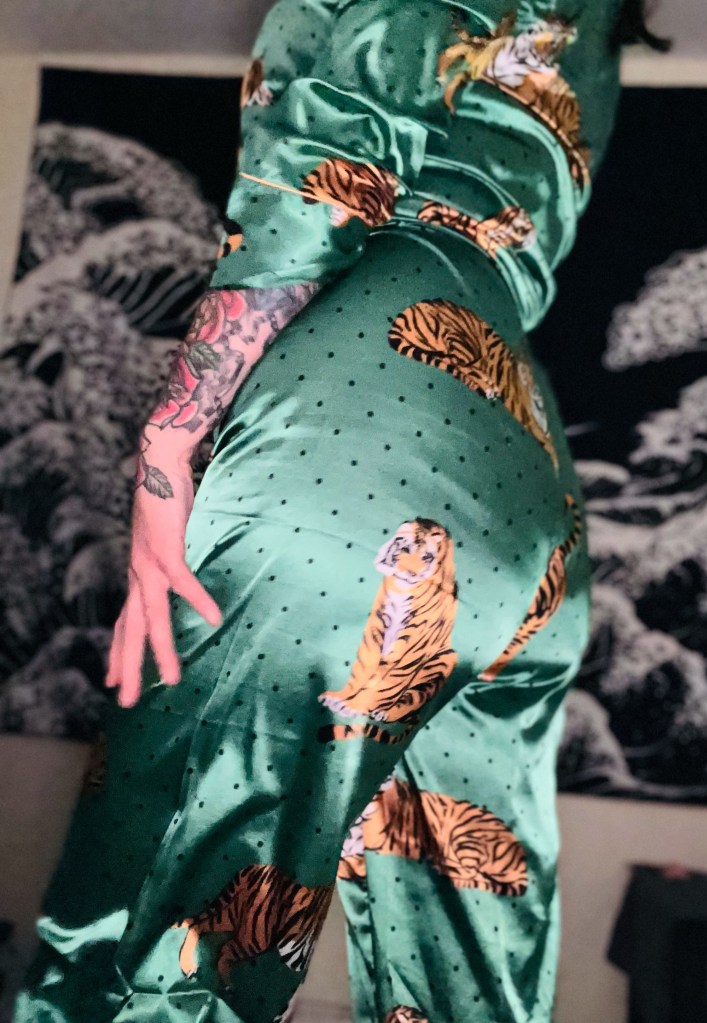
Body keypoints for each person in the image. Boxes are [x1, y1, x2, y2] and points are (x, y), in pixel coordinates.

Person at [14, 2, 666, 1021]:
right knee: (465, 974)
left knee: (162, 928)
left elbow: (331, 166)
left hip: (357, 436)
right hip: (525, 478)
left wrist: (169, 445)